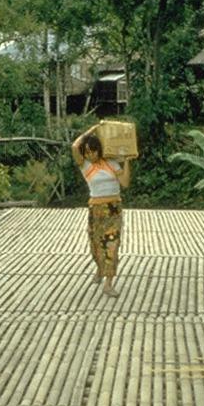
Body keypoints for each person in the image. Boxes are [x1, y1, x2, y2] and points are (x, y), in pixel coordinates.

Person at [72, 124, 131, 297]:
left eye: (93, 151)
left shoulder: (111, 164)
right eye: (87, 152)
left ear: (99, 150)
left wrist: (126, 161)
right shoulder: (86, 166)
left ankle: (108, 283)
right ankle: (99, 269)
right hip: (96, 211)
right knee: (95, 245)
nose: (91, 155)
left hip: (113, 210)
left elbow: (125, 183)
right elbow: (75, 146)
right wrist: (94, 129)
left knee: (112, 246)